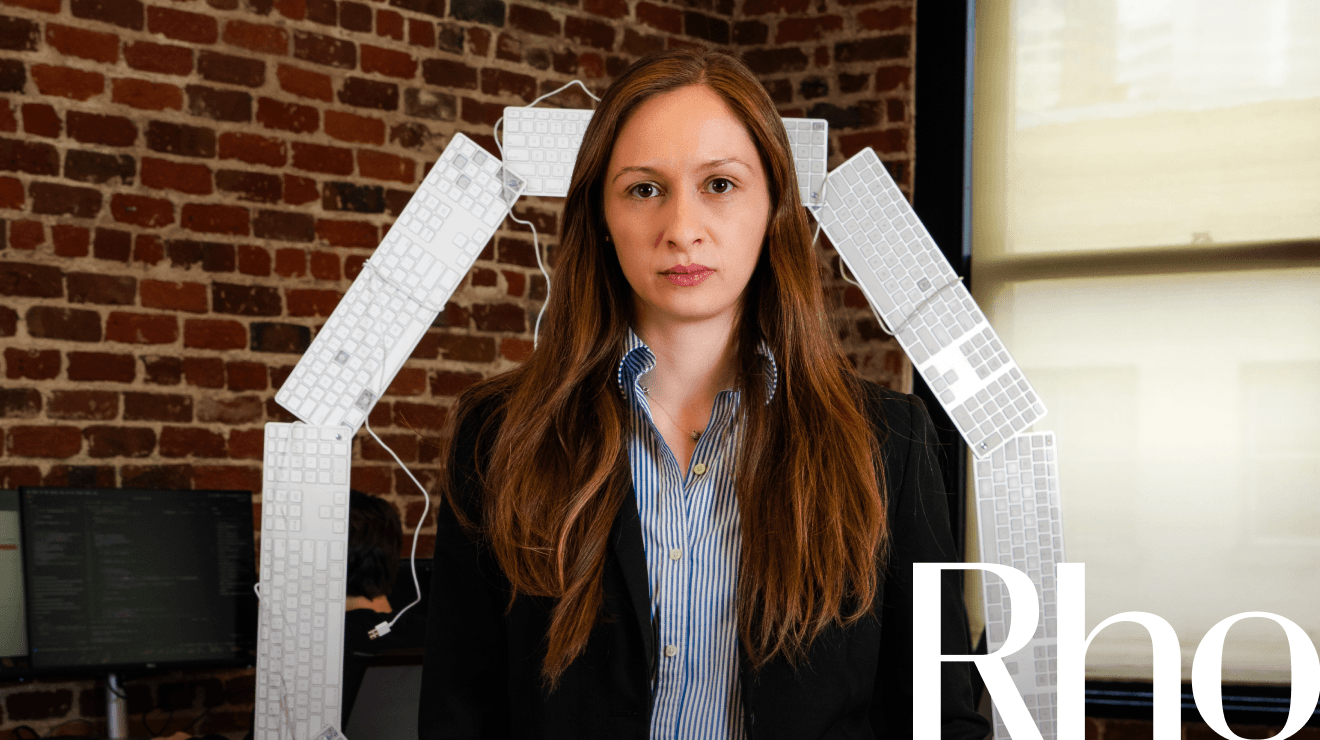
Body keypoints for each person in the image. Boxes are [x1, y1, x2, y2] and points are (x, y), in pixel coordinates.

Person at [419, 47, 990, 740]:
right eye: (644, 189)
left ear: (774, 207)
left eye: (720, 184)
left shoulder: (886, 441)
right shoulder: (501, 434)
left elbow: (939, 718)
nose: (682, 230)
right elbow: (459, 715)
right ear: (601, 215)